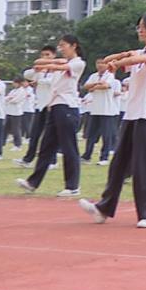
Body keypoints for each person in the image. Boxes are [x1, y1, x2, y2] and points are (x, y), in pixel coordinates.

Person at [79, 12, 146, 228]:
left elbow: (136, 58)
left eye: (143, 27)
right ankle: (104, 208)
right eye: (138, 26)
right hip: (132, 115)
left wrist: (117, 63)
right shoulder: (142, 51)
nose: (139, 30)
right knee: (118, 164)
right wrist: (112, 59)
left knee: (143, 166)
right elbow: (128, 54)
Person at [16, 35, 86, 197]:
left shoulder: (78, 63)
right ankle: (33, 182)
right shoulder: (60, 63)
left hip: (67, 107)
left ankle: (73, 185)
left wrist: (49, 64)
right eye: (59, 46)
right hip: (54, 107)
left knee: (69, 147)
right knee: (46, 147)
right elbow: (36, 68)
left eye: (64, 45)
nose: (61, 48)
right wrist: (46, 65)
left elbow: (58, 66)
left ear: (74, 46)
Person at [81, 59, 121, 166]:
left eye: (102, 63)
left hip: (107, 110)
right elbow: (86, 87)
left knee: (106, 135)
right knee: (91, 134)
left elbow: (106, 86)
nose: (100, 65)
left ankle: (104, 157)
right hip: (95, 109)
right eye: (98, 63)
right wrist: (96, 84)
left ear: (107, 65)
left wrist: (93, 87)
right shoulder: (94, 75)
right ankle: (87, 156)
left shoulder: (110, 75)